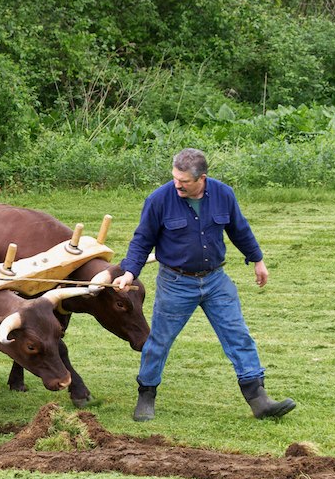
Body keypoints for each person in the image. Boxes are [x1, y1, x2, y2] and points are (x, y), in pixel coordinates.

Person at [112, 148, 295, 421]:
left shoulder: (223, 195)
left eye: (183, 181)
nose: (177, 184)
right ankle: (146, 397)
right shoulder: (159, 199)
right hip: (175, 283)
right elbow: (142, 240)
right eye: (174, 178)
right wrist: (129, 273)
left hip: (215, 280)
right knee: (159, 342)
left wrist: (257, 259)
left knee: (238, 336)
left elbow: (239, 229)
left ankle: (259, 400)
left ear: (202, 178)